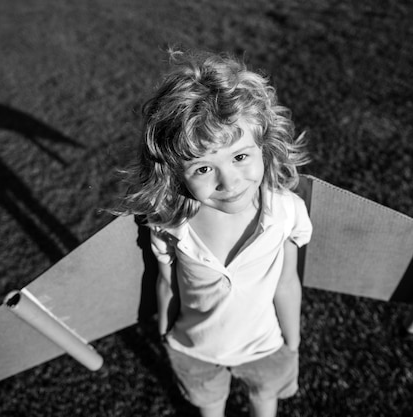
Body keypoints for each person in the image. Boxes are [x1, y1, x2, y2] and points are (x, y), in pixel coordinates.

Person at [116, 49, 312, 417]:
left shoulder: (285, 212)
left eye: (240, 157)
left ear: (263, 148)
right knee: (210, 407)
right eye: (203, 168)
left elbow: (287, 283)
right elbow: (168, 283)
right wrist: (165, 332)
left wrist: (293, 341)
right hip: (194, 349)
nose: (229, 181)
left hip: (265, 346)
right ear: (173, 173)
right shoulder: (170, 224)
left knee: (264, 400)